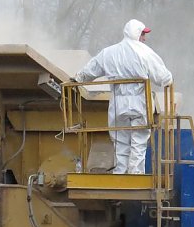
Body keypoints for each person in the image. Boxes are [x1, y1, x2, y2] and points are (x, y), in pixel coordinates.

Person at [73, 19, 172, 174]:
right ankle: (135, 174)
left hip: (118, 103)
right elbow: (163, 77)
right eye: (143, 34)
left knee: (120, 140)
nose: (144, 38)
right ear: (137, 34)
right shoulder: (144, 52)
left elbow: (90, 71)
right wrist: (169, 80)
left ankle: (120, 172)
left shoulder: (109, 52)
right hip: (140, 101)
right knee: (138, 141)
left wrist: (77, 79)